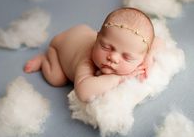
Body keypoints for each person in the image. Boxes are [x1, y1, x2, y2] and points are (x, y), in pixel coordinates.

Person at [24, 7, 161, 102]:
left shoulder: (137, 46)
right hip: (60, 45)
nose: (113, 57)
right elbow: (83, 92)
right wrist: (118, 78)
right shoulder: (87, 60)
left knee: (119, 41)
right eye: (106, 47)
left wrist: (149, 58)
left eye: (127, 57)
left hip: (81, 30)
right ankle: (44, 59)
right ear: (97, 38)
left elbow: (158, 41)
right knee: (57, 79)